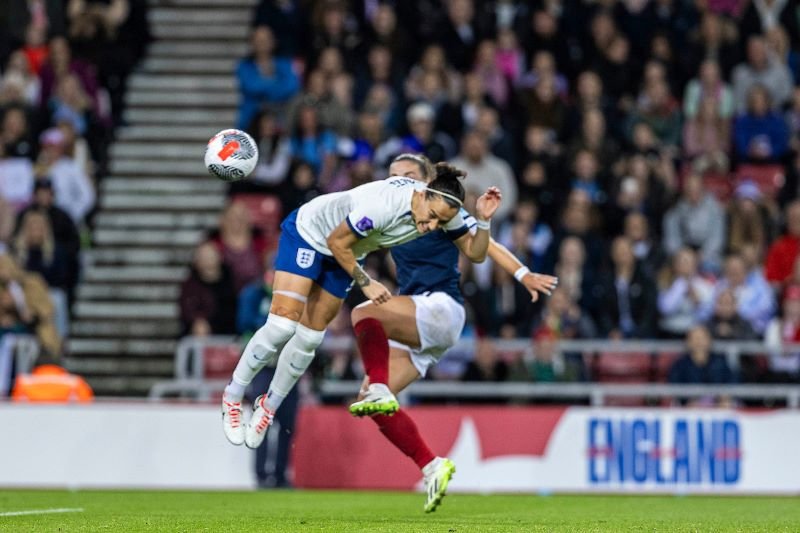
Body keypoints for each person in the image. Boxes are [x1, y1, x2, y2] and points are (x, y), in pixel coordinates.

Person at [221, 159, 502, 456]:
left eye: (440, 223)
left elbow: (476, 253)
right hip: (311, 233)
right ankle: (233, 396)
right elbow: (336, 241)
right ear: (421, 195)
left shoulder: (441, 205)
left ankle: (269, 406)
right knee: (282, 326)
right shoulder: (383, 206)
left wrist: (483, 221)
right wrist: (366, 282)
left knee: (310, 340)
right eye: (432, 217)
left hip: (349, 253)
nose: (432, 226)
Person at [346, 154, 557, 512]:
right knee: (373, 400)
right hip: (418, 320)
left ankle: (381, 387)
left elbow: (480, 252)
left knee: (364, 313)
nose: (399, 180)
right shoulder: (389, 212)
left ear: (427, 181)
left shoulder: (441, 209)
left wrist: (521, 272)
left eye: (408, 175)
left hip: (441, 308)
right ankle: (432, 466)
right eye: (393, 175)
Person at [237, 269, 298, 489]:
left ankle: (281, 475)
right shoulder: (254, 294)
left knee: (287, 424)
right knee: (261, 420)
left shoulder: (293, 295)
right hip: (264, 367)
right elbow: (244, 322)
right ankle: (262, 475)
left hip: (288, 367)